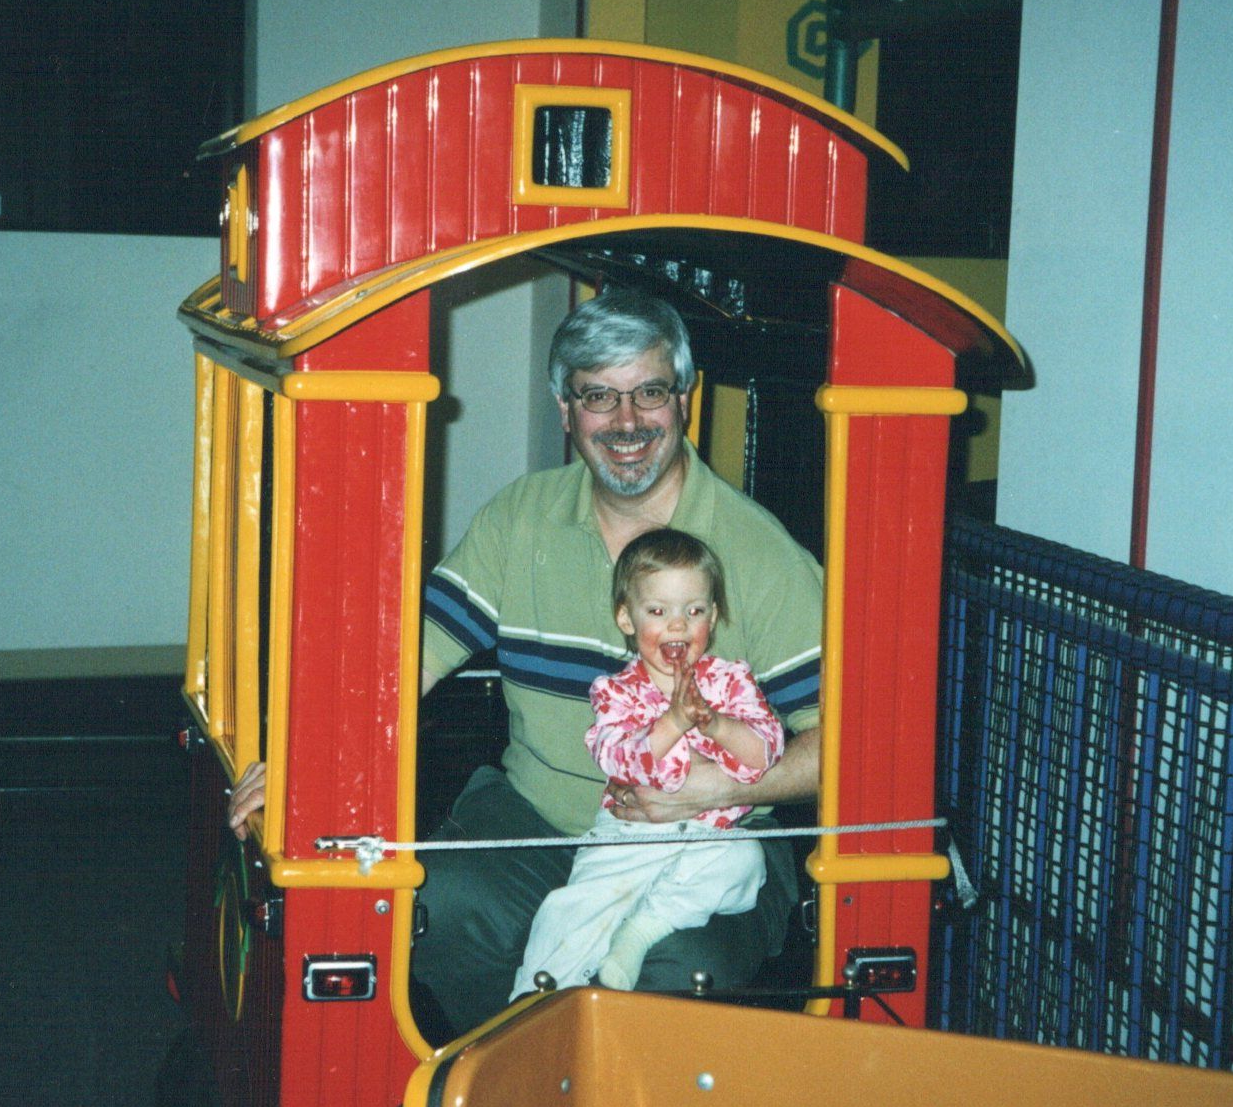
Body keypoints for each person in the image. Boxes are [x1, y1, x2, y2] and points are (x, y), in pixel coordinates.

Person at [228, 288, 823, 1038]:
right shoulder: (520, 519)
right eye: (598, 397)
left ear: (685, 398)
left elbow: (844, 743)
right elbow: (402, 664)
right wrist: (297, 762)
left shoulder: (761, 554)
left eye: (649, 392)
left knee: (669, 969)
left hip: (704, 841)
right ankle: (516, 1073)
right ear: (564, 409)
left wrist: (720, 784)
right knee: (436, 905)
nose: (628, 422)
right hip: (537, 818)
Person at [510, 528, 783, 999]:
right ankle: (532, 1007)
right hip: (629, 836)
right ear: (627, 618)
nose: (677, 625)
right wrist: (675, 721)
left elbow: (766, 749)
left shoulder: (731, 681)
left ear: (713, 618)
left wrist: (715, 724)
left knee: (746, 861)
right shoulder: (614, 690)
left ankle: (641, 931)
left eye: (693, 611)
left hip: (708, 837)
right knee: (571, 910)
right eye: (658, 611)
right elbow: (617, 755)